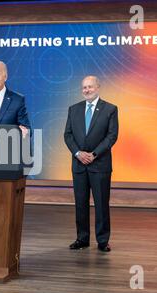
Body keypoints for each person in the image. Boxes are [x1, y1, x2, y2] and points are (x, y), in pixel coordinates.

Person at [64, 76, 118, 252]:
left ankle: (103, 241)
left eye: (90, 87)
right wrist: (78, 153)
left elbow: (111, 136)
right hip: (79, 164)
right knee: (80, 203)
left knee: (101, 204)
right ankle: (82, 238)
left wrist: (93, 154)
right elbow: (68, 135)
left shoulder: (110, 109)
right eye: (84, 87)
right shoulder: (74, 109)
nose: (86, 90)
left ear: (98, 87)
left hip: (99, 164)